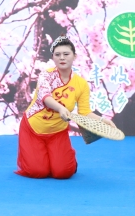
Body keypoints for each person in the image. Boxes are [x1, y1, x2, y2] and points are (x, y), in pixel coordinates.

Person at [15, 36, 108, 179]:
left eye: (66, 54)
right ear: (52, 58)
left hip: (57, 132)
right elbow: (45, 97)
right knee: (38, 172)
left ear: (74, 56)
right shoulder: (46, 75)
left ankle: (67, 159)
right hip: (33, 129)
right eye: (57, 55)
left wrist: (102, 120)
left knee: (62, 173)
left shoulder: (81, 84)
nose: (62, 58)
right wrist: (60, 108)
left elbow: (85, 112)